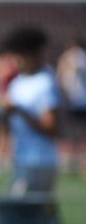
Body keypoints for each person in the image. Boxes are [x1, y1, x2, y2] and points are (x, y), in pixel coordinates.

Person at [2, 26, 61, 194]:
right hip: (21, 158)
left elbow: (51, 127)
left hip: (39, 161)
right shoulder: (17, 82)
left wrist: (20, 111)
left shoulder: (45, 82)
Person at [57, 36, 86, 174]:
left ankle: (76, 161)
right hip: (76, 100)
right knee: (76, 133)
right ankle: (75, 161)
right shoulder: (76, 56)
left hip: (77, 100)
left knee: (75, 133)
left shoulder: (75, 55)